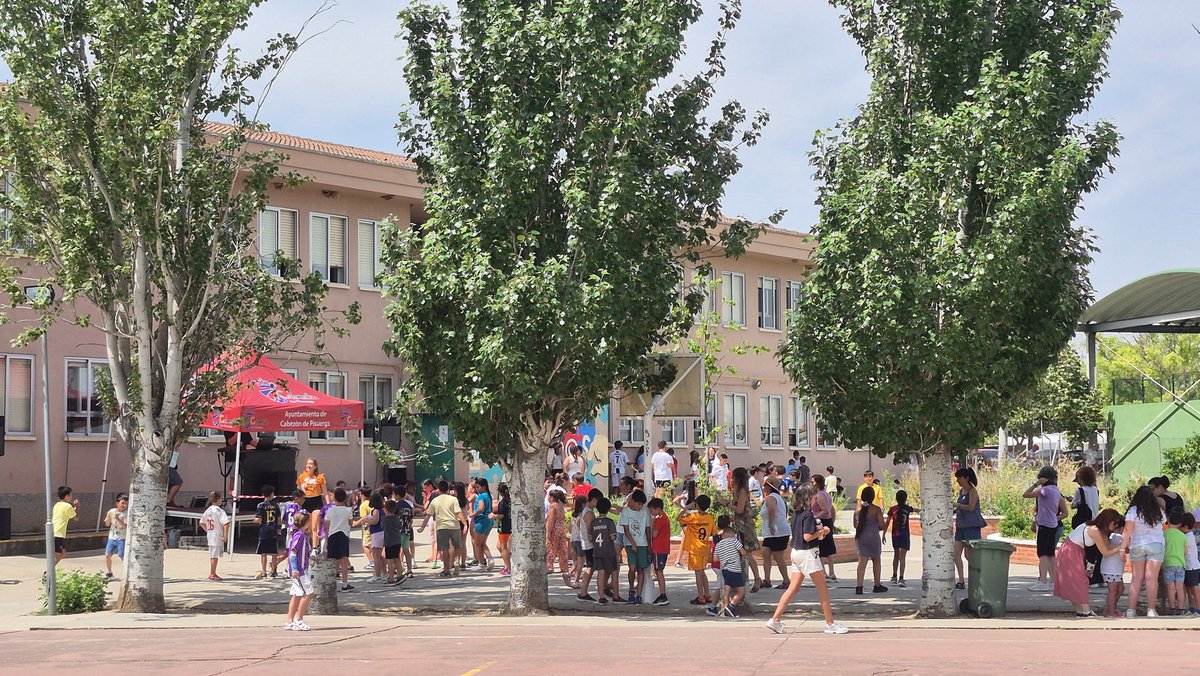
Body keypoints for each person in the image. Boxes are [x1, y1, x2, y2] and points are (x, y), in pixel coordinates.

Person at [765, 482, 847, 635]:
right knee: (822, 589)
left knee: (793, 588)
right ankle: (830, 623)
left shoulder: (796, 513)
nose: (815, 497)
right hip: (808, 553)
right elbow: (808, 536)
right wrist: (823, 531)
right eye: (813, 495)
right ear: (809, 497)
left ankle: (775, 620)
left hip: (796, 552)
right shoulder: (808, 514)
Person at [1053, 507, 1124, 617]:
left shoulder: (1098, 529)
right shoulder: (1094, 530)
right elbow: (1106, 552)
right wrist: (1122, 547)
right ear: (1108, 521)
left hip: (1071, 550)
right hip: (1071, 551)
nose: (1115, 527)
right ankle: (1086, 611)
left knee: (1074, 581)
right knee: (1080, 581)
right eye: (1114, 524)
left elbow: (1108, 545)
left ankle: (1080, 611)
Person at [1122, 485, 1165, 617]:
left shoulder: (1133, 511)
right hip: (1156, 544)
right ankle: (1151, 610)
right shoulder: (1159, 511)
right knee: (1152, 579)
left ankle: (1131, 610)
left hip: (1138, 545)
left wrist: (1122, 547)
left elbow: (1128, 529)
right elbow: (1164, 525)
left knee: (1136, 578)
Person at [1023, 466, 1069, 591]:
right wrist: (1055, 518)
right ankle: (1053, 581)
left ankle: (1043, 581)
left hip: (1043, 525)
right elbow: (1064, 511)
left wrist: (1035, 484)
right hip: (1053, 524)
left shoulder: (1045, 490)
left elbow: (1025, 494)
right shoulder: (1056, 490)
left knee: (1042, 554)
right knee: (1050, 554)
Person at [420, 480, 467, 577]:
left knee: (445, 549)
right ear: (448, 489)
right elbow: (459, 512)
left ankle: (446, 570)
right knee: (457, 545)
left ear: (438, 490)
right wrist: (465, 523)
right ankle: (457, 561)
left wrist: (422, 527)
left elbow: (428, 515)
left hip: (442, 527)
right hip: (454, 526)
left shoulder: (435, 501)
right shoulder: (453, 499)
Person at [728, 467, 763, 592]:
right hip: (739, 524)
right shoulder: (737, 491)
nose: (731, 480)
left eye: (733, 477)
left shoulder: (742, 491)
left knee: (747, 553)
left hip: (745, 526)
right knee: (740, 553)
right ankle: (742, 579)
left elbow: (740, 509)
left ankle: (757, 579)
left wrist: (728, 504)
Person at [679, 494, 716, 605]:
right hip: (705, 547)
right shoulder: (710, 518)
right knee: (702, 571)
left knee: (698, 573)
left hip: (695, 548)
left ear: (697, 505)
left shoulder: (693, 517)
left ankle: (700, 596)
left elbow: (679, 518)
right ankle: (707, 594)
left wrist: (687, 507)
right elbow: (713, 532)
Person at [952, 467, 985, 590]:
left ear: (966, 478)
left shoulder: (972, 491)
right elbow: (961, 507)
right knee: (956, 554)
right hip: (960, 527)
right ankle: (961, 580)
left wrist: (957, 505)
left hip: (971, 526)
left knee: (969, 555)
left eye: (960, 478)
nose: (958, 481)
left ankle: (977, 578)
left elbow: (971, 507)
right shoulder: (961, 492)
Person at [1069, 465, 1103, 586]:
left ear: (1081, 479)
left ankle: (1088, 578)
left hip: (1084, 525)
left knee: (1085, 552)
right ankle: (1098, 577)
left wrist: (1073, 500)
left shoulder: (1080, 490)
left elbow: (1073, 505)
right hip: (1096, 523)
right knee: (1095, 552)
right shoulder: (1096, 490)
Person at [709, 515, 747, 618]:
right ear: (731, 534)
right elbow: (743, 553)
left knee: (726, 590)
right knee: (741, 591)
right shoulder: (734, 541)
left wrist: (725, 556)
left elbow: (715, 559)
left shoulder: (718, 544)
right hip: (735, 569)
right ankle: (731, 606)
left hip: (724, 569)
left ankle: (725, 609)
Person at [618, 489, 650, 604]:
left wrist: (649, 546)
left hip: (643, 544)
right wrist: (633, 543)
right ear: (633, 501)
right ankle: (631, 588)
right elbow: (626, 530)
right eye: (639, 504)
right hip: (630, 544)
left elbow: (647, 529)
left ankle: (639, 595)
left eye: (642, 505)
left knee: (641, 569)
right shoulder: (626, 512)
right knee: (632, 568)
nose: (640, 506)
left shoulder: (645, 512)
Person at [853, 486, 887, 594]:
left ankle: (859, 586)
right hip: (873, 536)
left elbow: (855, 525)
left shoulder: (858, 510)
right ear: (873, 497)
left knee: (862, 563)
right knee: (876, 560)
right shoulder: (876, 509)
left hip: (861, 537)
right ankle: (877, 585)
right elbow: (882, 525)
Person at [586, 496, 619, 605]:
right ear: (608, 508)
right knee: (614, 571)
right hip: (609, 551)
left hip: (597, 551)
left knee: (601, 572)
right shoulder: (610, 522)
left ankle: (601, 596)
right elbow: (613, 537)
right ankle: (616, 596)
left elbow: (590, 537)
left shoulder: (594, 522)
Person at [759, 476, 791, 588]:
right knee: (766, 553)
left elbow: (771, 509)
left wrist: (771, 524)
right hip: (771, 533)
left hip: (777, 532)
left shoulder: (771, 497)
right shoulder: (776, 497)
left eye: (765, 485)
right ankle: (767, 580)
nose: (763, 487)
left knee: (778, 557)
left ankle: (786, 581)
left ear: (769, 486)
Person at [284, 511, 314, 631]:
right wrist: (295, 569)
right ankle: (299, 619)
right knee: (308, 593)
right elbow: (292, 553)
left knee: (297, 594)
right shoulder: (300, 535)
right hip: (299, 570)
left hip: (301, 569)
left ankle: (289, 620)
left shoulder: (302, 534)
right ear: (306, 522)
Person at [810, 474, 838, 581]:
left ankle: (827, 572)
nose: (811, 484)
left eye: (813, 482)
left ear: (817, 483)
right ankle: (829, 572)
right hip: (827, 521)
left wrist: (814, 516)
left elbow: (825, 510)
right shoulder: (825, 494)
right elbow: (832, 510)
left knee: (822, 547)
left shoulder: (820, 495)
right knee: (826, 548)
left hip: (821, 522)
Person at [325, 487, 354, 591]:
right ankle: (345, 584)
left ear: (334, 498)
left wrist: (326, 539)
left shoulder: (330, 510)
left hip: (332, 535)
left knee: (333, 560)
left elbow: (326, 525)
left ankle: (332, 584)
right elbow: (350, 523)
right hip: (343, 535)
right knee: (344, 560)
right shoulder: (348, 510)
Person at [882, 489, 912, 588]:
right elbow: (914, 509)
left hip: (895, 535)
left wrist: (884, 533)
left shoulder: (892, 509)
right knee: (903, 557)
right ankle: (901, 577)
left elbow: (887, 522)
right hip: (905, 535)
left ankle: (894, 575)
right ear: (906, 499)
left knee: (896, 555)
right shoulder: (907, 509)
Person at [253, 485, 283, 580]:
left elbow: (259, 519)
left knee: (263, 553)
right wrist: (278, 528)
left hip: (264, 531)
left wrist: (254, 520)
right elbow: (278, 518)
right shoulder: (275, 505)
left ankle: (263, 571)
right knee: (274, 552)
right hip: (273, 530)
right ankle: (273, 571)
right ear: (272, 494)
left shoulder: (261, 505)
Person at [200, 490, 230, 581]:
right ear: (218, 500)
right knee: (215, 556)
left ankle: (213, 572)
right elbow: (226, 523)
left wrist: (208, 531)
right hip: (217, 535)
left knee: (212, 555)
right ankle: (212, 574)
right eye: (221, 498)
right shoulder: (219, 511)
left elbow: (202, 523)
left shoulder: (208, 510)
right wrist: (225, 536)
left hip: (210, 535)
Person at [354, 492, 385, 580]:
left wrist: (367, 521)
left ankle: (377, 575)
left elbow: (375, 521)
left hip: (377, 533)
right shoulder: (382, 510)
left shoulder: (375, 510)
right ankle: (384, 573)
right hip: (380, 532)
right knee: (379, 555)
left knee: (376, 555)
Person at [1164, 511, 1188, 615]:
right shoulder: (1183, 536)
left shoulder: (1164, 534)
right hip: (1180, 564)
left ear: (1169, 520)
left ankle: (1172, 608)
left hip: (1168, 564)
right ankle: (1181, 609)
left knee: (1170, 587)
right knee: (1180, 587)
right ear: (1180, 523)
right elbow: (1185, 551)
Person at [545, 489, 571, 585]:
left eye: (549, 496)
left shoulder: (553, 507)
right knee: (562, 548)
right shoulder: (561, 506)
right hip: (561, 528)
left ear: (552, 497)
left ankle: (549, 566)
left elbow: (550, 521)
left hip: (555, 528)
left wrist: (548, 533)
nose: (548, 498)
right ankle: (564, 566)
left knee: (551, 547)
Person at [648, 497, 670, 606]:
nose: (651, 513)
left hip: (659, 547)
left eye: (652, 510)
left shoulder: (660, 519)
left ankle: (663, 594)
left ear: (657, 509)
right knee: (658, 570)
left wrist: (652, 523)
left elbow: (654, 534)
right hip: (663, 548)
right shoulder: (665, 518)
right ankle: (662, 594)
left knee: (659, 571)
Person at [1100, 523, 1126, 618]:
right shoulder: (1117, 537)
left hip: (1115, 569)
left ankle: (1111, 608)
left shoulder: (1113, 536)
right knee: (1113, 590)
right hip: (1112, 569)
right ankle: (1111, 612)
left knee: (1120, 588)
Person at [471, 477, 495, 571]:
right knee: (482, 543)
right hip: (489, 521)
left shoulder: (481, 496)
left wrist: (474, 513)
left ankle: (481, 563)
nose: (477, 489)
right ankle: (490, 559)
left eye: (478, 487)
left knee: (476, 544)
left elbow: (480, 508)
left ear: (483, 486)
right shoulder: (488, 495)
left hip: (481, 520)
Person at [51, 486, 80, 563]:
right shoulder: (67, 506)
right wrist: (77, 507)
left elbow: (68, 514)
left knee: (63, 552)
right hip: (58, 533)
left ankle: (49, 570)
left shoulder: (57, 505)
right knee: (59, 554)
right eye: (71, 495)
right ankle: (48, 572)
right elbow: (76, 518)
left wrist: (74, 508)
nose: (71, 497)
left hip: (53, 531)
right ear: (67, 496)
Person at [103, 494, 128, 578]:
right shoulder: (111, 511)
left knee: (122, 555)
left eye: (126, 503)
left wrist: (118, 519)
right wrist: (107, 519)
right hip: (112, 537)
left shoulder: (126, 514)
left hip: (122, 538)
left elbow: (126, 527)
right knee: (107, 554)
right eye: (122, 503)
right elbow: (107, 524)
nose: (124, 505)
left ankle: (127, 572)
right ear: (117, 503)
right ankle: (109, 572)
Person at [492, 483, 513, 576]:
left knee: (504, 547)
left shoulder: (503, 503)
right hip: (510, 526)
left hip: (504, 527)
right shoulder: (512, 501)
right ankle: (506, 565)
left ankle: (508, 567)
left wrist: (494, 515)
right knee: (499, 546)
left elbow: (501, 515)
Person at [1181, 513, 1200, 615]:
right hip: (1188, 566)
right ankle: (1192, 608)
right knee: (1188, 588)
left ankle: (1198, 608)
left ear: (1185, 527)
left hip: (1192, 566)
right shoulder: (1187, 536)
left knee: (1194, 588)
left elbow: (1185, 551)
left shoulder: (1188, 537)